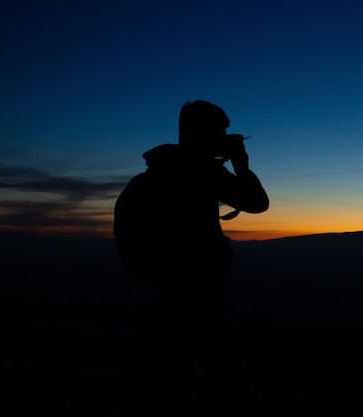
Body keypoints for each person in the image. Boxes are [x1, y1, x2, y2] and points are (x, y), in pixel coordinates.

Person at [113, 100, 269, 416]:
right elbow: (257, 203)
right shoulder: (200, 170)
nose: (225, 139)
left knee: (174, 374)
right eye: (221, 132)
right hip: (201, 292)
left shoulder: (158, 172)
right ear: (205, 133)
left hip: (166, 290)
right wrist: (240, 164)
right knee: (225, 379)